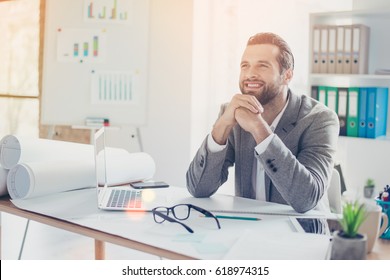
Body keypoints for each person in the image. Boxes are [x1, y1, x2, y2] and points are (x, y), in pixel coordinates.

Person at [186, 32, 339, 213]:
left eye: (262, 66)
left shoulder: (319, 119)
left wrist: (259, 129)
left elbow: (306, 198)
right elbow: (198, 189)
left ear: (287, 76)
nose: (250, 74)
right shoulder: (232, 113)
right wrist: (222, 126)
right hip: (250, 229)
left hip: (301, 233)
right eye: (245, 66)